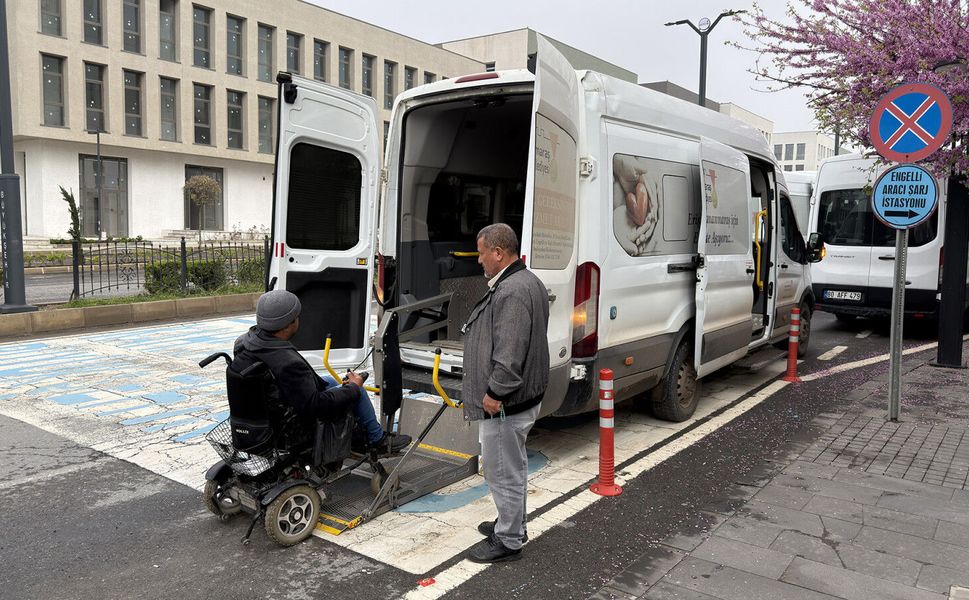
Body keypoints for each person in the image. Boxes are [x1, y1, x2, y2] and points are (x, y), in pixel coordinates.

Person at [462, 223, 550, 563]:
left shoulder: (512, 291)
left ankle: (509, 540)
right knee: (514, 465)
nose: (479, 260)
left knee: (502, 470)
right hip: (524, 397)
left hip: (506, 403)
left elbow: (510, 353)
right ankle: (513, 522)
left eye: (482, 253)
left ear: (498, 253)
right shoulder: (528, 281)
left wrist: (495, 392)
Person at [233, 289, 411, 455]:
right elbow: (315, 405)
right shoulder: (288, 363)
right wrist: (352, 389)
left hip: (263, 414)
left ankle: (361, 427)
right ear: (288, 324)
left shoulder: (245, 344)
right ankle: (378, 440)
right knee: (358, 390)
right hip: (290, 425)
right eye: (297, 316)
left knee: (330, 382)